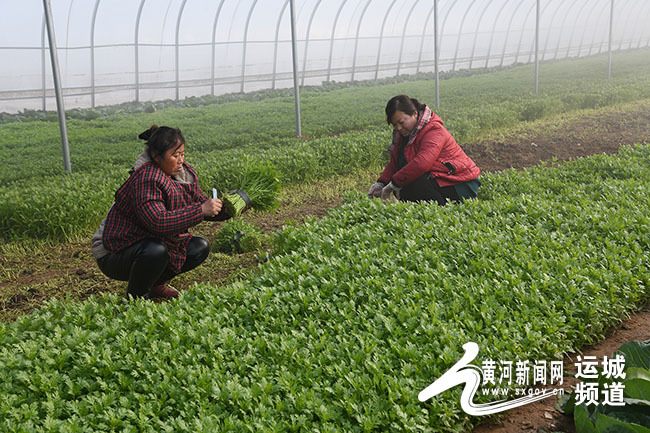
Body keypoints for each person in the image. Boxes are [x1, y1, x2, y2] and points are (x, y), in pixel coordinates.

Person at [91, 125, 231, 299]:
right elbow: (158, 222)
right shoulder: (145, 178)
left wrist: (230, 208)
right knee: (155, 251)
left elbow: (203, 204)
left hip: (146, 242)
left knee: (198, 247)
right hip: (115, 252)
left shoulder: (180, 175)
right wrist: (201, 210)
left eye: (182, 154)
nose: (180, 160)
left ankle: (154, 285)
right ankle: (136, 297)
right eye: (175, 155)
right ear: (157, 156)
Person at [368, 95, 481, 205]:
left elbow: (422, 164)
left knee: (417, 182)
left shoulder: (434, 130)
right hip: (439, 179)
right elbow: (396, 163)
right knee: (405, 185)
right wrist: (381, 183)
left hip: (459, 182)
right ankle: (421, 217)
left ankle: (442, 215)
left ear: (414, 114)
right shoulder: (403, 137)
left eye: (401, 122)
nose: (398, 128)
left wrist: (393, 184)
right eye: (394, 125)